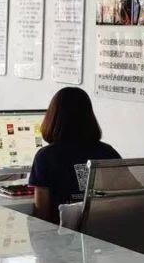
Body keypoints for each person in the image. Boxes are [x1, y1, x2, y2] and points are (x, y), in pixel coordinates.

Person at [28, 87, 121, 223]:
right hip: (105, 232)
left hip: (61, 233)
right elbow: (136, 195)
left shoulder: (46, 156)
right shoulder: (107, 152)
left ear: (53, 118)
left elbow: (42, 213)